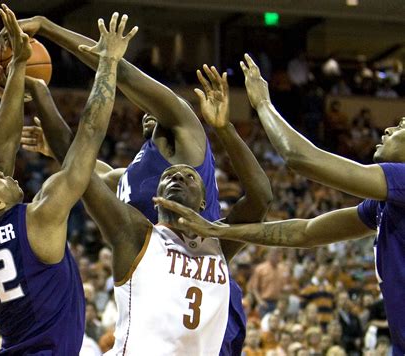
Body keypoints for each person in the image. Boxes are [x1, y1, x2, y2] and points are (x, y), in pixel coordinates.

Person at [3, 14, 272, 352]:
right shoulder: (129, 174)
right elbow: (82, 168)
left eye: (149, 101)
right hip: (152, 280)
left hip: (200, 283)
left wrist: (48, 28)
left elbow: (120, 72)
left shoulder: (186, 134)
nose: (143, 106)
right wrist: (55, 142)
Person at [153, 52, 405, 355]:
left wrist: (262, 104)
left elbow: (300, 159)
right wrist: (219, 231)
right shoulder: (384, 205)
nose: (389, 129)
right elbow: (305, 232)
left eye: (401, 125)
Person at [0, 7, 137, 354]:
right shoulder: (41, 216)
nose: (2, 172)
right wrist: (108, 62)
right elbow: (89, 136)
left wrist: (19, 63)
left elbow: (3, 145)